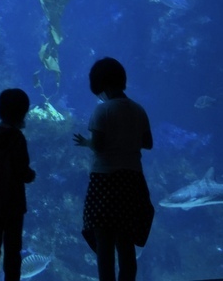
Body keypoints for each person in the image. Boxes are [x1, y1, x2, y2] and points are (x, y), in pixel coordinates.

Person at [73, 57, 155, 281]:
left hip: (105, 182)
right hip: (132, 182)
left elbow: (98, 145)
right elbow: (148, 143)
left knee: (104, 242)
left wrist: (86, 143)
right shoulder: (139, 110)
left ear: (102, 86)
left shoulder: (102, 111)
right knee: (126, 241)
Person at [0, 87, 36, 281]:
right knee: (13, 248)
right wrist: (30, 175)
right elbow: (22, 169)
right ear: (22, 114)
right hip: (13, 204)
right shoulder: (17, 138)